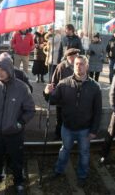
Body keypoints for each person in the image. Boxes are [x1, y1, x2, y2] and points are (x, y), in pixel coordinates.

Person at [44, 55, 102, 186]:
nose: (78, 66)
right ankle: (59, 170)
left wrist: (94, 130)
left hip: (85, 129)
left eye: (81, 64)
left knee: (84, 153)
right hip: (67, 127)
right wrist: (47, 92)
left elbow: (98, 111)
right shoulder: (64, 83)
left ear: (87, 66)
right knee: (64, 150)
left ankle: (82, 175)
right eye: (76, 64)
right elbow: (52, 100)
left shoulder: (94, 86)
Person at [0, 56, 35, 195]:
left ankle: (19, 182)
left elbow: (30, 110)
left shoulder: (22, 87)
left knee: (17, 159)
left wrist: (19, 123)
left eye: (3, 70)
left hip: (14, 133)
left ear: (10, 70)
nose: (0, 72)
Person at [51, 48, 80, 140]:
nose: (76, 58)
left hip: (75, 99)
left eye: (76, 56)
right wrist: (54, 95)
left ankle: (70, 135)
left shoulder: (79, 65)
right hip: (62, 99)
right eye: (74, 56)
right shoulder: (61, 67)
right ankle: (58, 135)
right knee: (60, 119)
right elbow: (54, 81)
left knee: (72, 118)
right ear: (69, 57)